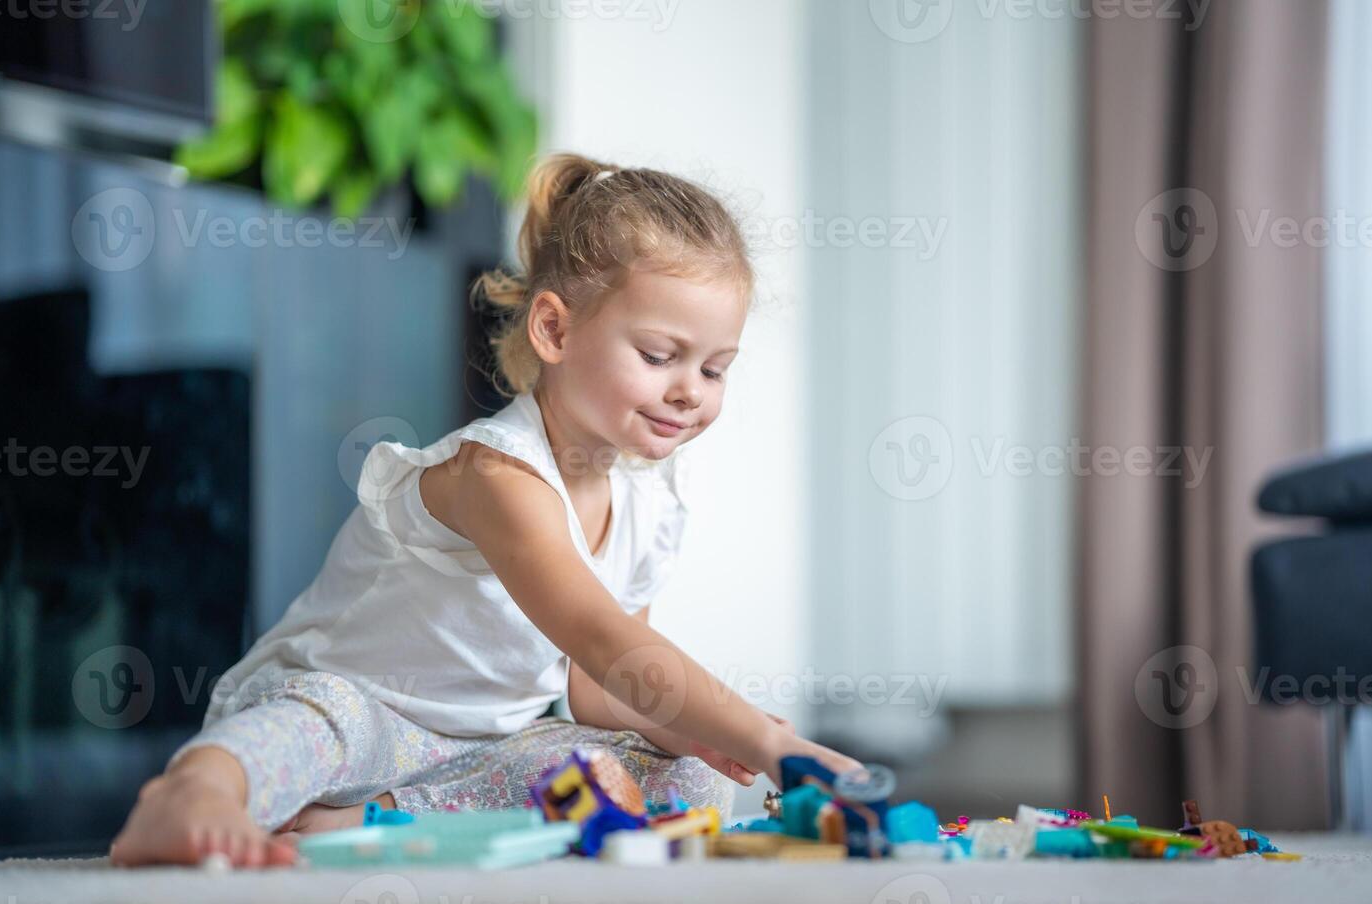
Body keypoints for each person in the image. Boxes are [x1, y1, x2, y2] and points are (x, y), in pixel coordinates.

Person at [110, 153, 857, 868]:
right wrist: (766, 739)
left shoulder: (646, 510)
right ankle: (194, 792)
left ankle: (375, 822)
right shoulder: (499, 475)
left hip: (464, 755)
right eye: (660, 355)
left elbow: (596, 689)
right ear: (554, 330)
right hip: (357, 714)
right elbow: (603, 640)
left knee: (687, 780)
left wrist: (696, 733)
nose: (690, 389)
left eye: (714, 367)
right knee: (323, 724)